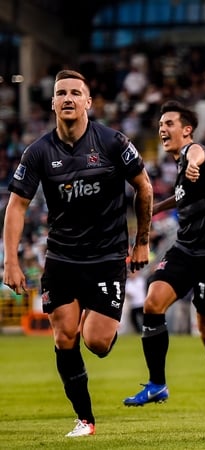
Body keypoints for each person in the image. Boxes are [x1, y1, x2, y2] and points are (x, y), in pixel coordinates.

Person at [3, 69, 153, 437]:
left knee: (96, 343)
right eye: (61, 93)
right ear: (52, 103)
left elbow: (144, 187)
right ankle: (85, 420)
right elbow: (17, 206)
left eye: (75, 93)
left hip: (106, 257)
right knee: (63, 337)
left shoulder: (113, 142)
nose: (67, 98)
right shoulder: (38, 152)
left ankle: (94, 317)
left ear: (88, 101)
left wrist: (142, 241)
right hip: (62, 258)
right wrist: (11, 260)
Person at [123, 100, 205, 419]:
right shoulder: (181, 168)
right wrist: (158, 207)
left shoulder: (194, 152)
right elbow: (184, 194)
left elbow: (198, 154)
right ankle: (157, 383)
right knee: (152, 302)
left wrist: (193, 163)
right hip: (186, 248)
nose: (163, 129)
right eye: (161, 125)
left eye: (169, 123)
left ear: (187, 130)